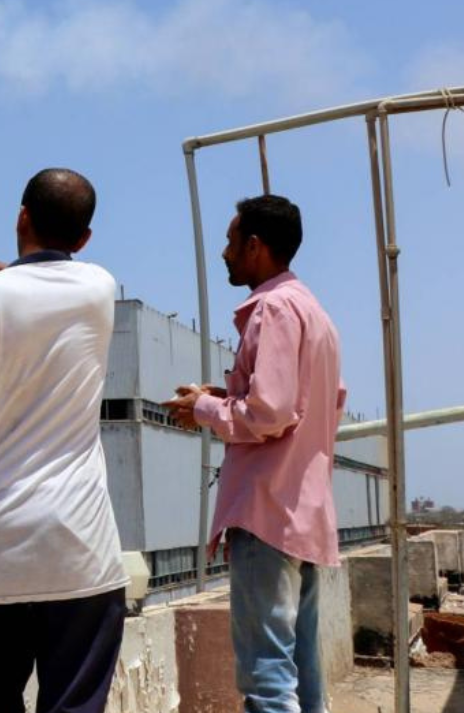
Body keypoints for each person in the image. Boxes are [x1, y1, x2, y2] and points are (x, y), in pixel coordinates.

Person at [0, 168, 127, 713]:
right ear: (83, 240)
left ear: (21, 217)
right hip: (82, 553)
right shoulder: (101, 290)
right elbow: (47, 287)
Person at [163, 194, 343, 713]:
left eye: (231, 241)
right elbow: (311, 405)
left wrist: (204, 410)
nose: (225, 252)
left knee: (267, 679)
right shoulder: (315, 314)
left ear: (256, 246)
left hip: (267, 513)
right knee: (303, 673)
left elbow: (270, 413)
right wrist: (220, 400)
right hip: (301, 514)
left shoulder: (275, 308)